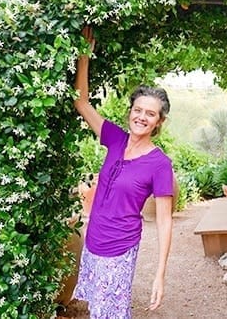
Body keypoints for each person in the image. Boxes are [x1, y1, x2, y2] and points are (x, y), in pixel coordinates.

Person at [70, 26, 174, 318]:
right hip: (93, 241)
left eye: (150, 114)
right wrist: (84, 57)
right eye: (138, 110)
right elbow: (81, 102)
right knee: (97, 311)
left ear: (158, 122)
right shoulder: (115, 138)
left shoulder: (159, 164)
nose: (142, 116)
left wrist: (160, 275)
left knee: (111, 314)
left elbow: (165, 223)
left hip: (119, 248)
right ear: (130, 111)